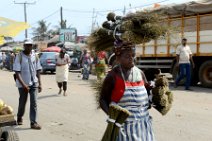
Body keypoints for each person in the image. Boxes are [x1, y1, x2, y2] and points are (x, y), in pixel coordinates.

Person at [99, 40, 155, 140]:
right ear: (118, 58)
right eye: (127, 56)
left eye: (133, 55)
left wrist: (152, 89)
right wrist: (112, 116)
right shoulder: (113, 76)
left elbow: (147, 94)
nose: (131, 59)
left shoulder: (140, 73)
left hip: (143, 127)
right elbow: (103, 99)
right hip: (123, 129)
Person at [13, 39, 42, 130]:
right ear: (24, 46)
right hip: (23, 84)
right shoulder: (19, 56)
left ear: (32, 46)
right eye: (27, 45)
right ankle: (19, 116)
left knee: (34, 102)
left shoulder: (35, 56)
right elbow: (17, 72)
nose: (29, 47)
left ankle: (33, 122)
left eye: (30, 45)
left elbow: (38, 70)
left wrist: (40, 83)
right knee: (22, 102)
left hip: (34, 83)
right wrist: (24, 85)